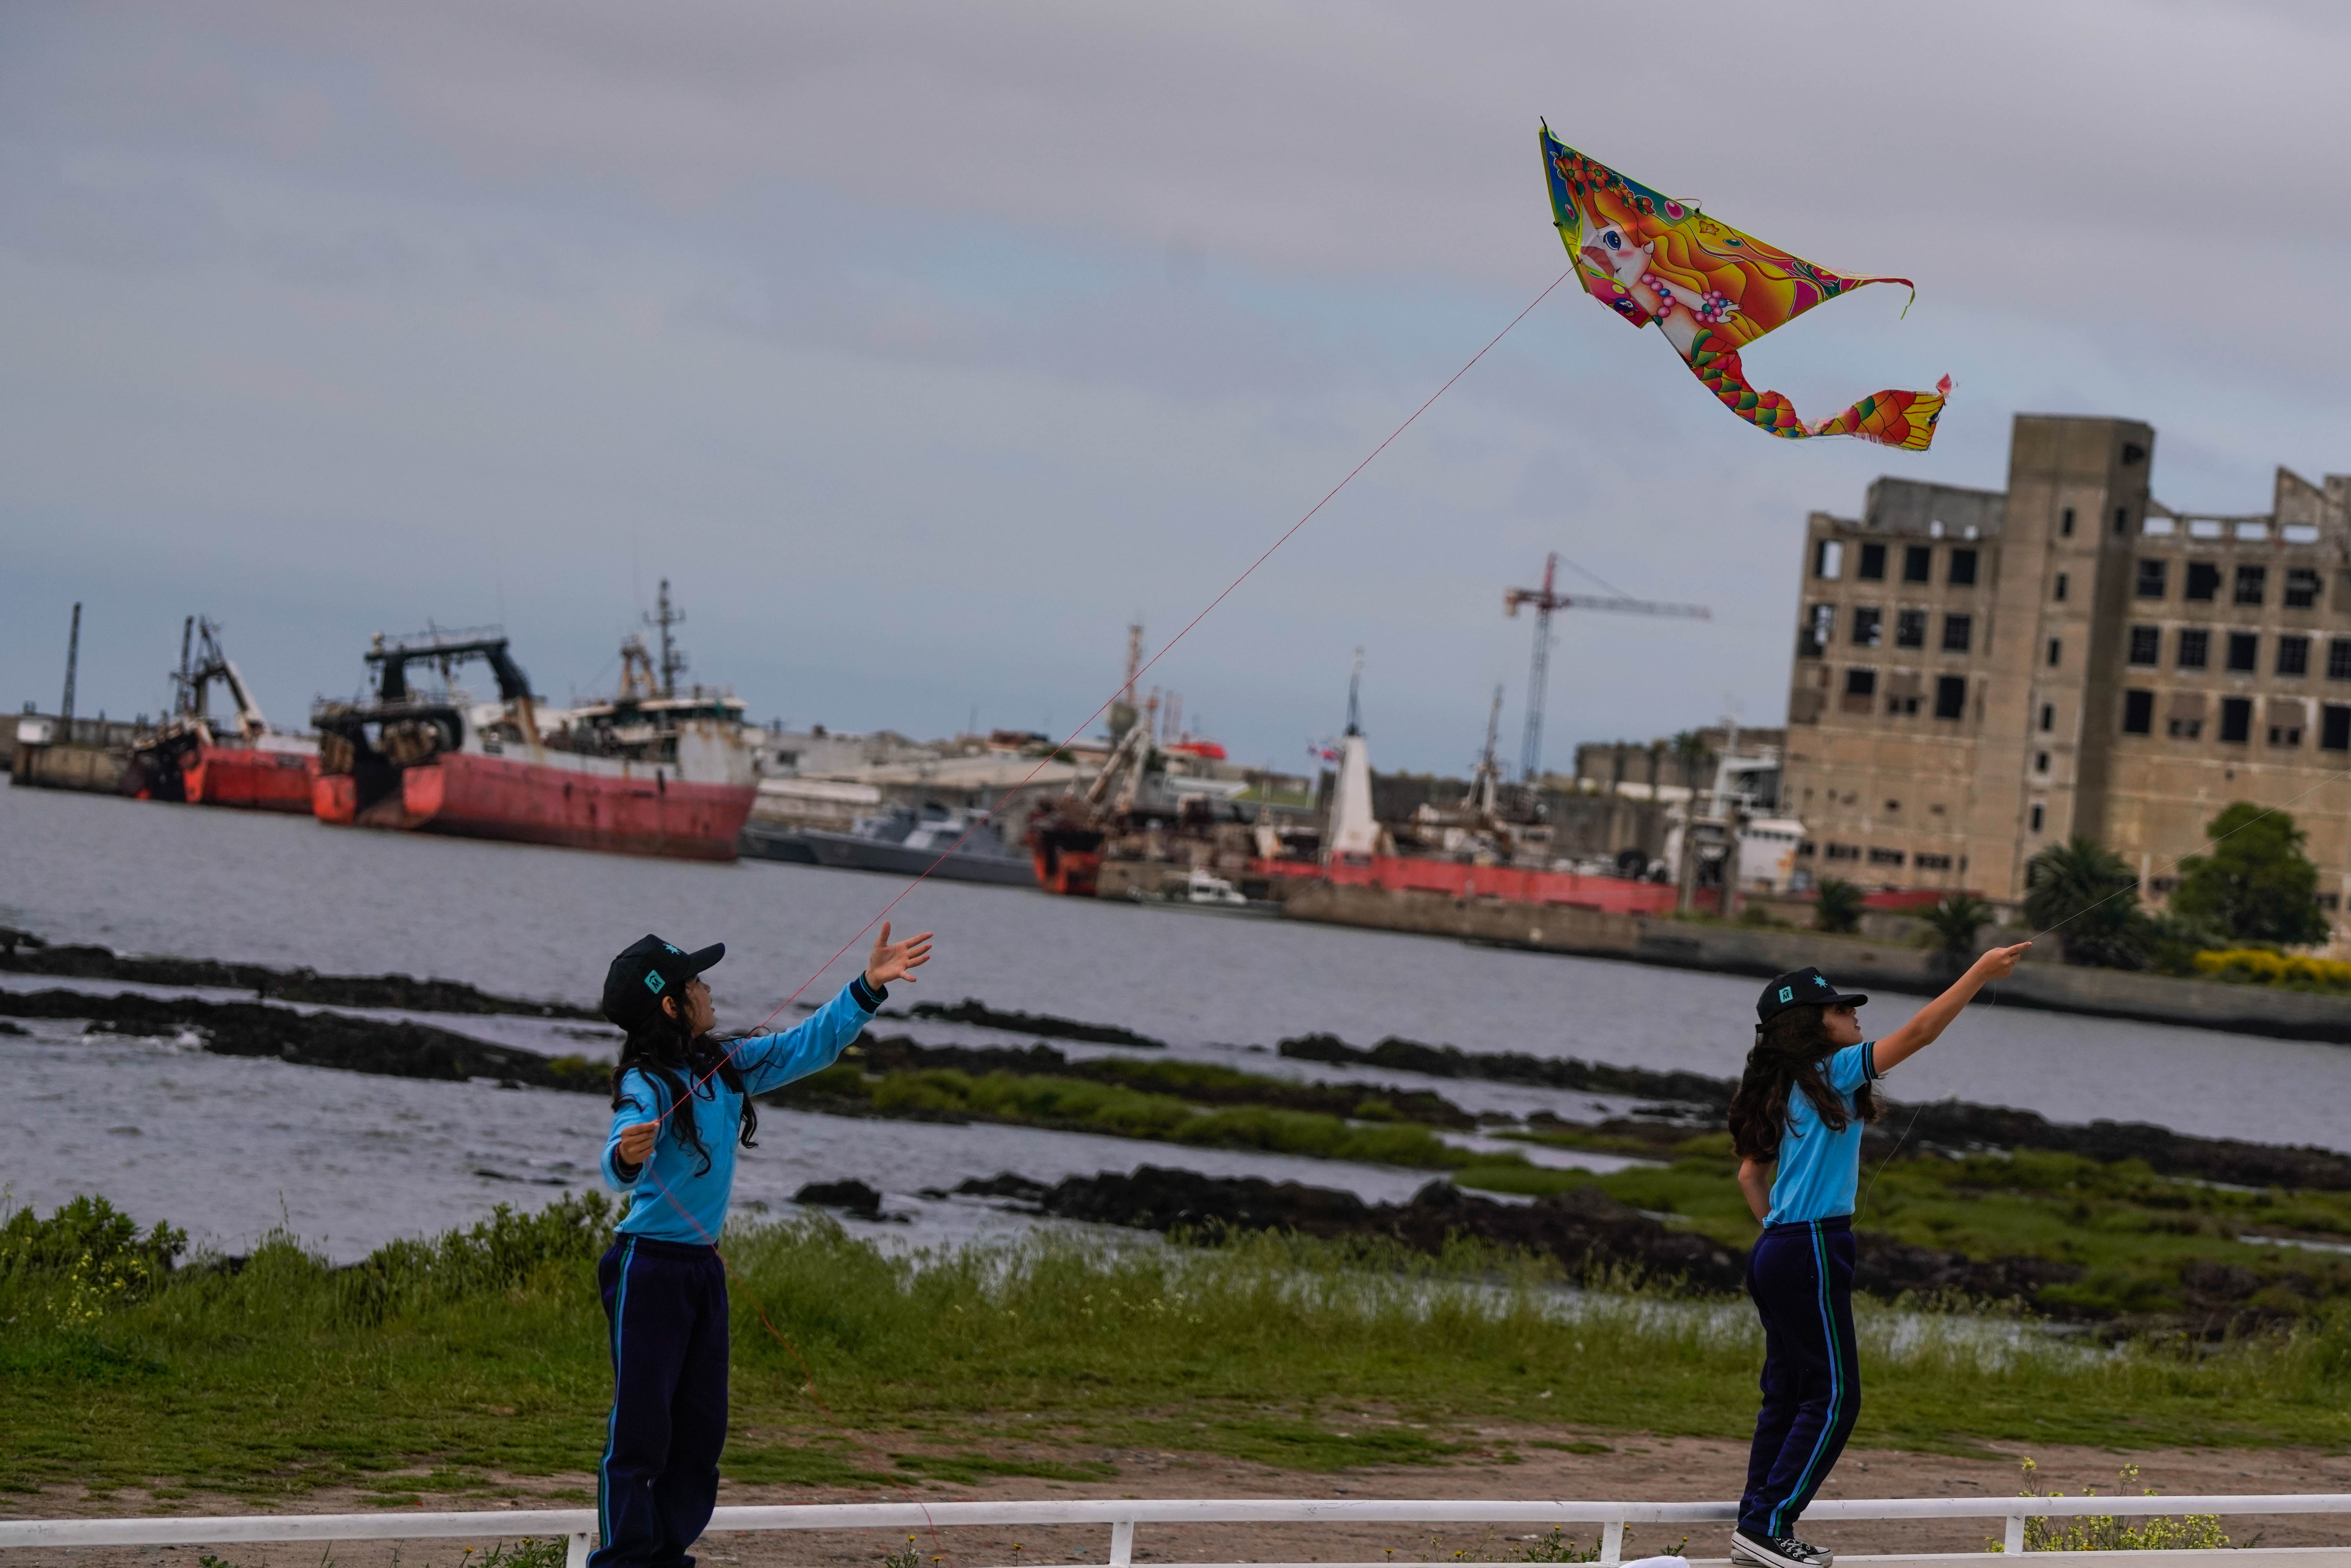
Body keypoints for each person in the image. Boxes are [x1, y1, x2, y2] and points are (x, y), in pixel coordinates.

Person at [590, 922, 933, 1568]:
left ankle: (666, 1555)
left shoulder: (722, 1068)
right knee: (640, 1433)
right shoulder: (648, 1085)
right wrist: (627, 1154)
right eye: (695, 981)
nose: (708, 987)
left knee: (699, 1435)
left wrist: (867, 988)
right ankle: (625, 1561)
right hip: (648, 1270)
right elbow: (621, 1151)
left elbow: (808, 1046)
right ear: (671, 1005)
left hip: (700, 1272)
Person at [1725, 944, 2028, 1568]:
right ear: (1812, 1023)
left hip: (1779, 1248)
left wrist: (1779, 1237)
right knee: (1834, 1397)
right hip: (1808, 1245)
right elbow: (1919, 1032)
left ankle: (1755, 1523)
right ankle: (1768, 1526)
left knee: (1785, 1395)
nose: (1854, 1014)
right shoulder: (1832, 1069)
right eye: (1840, 1007)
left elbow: (1749, 1178)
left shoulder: (1776, 1087)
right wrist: (1978, 972)